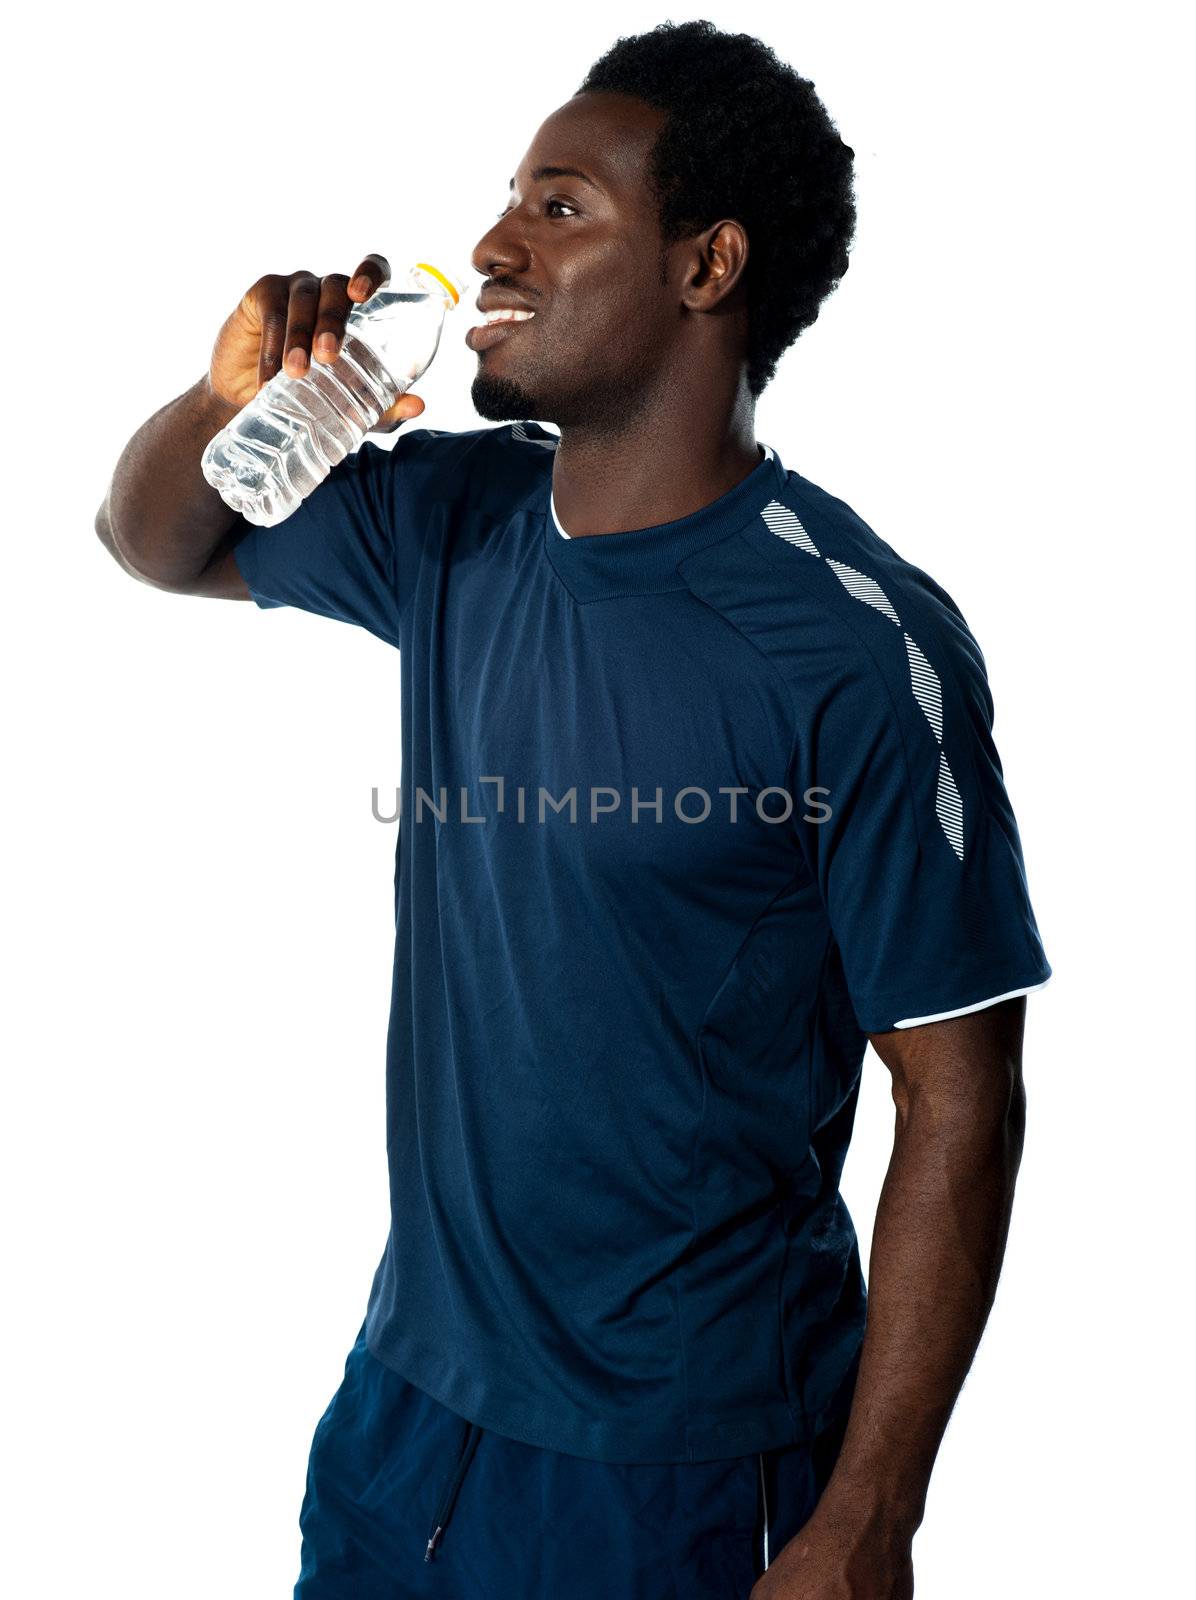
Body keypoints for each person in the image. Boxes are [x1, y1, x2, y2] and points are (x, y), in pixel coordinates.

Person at [95, 20, 1051, 1600]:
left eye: (557, 206)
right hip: (406, 1409)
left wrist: (870, 1520)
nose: (489, 245)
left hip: (682, 1467)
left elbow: (961, 1098)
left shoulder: (861, 649)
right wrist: (227, 403)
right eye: (508, 201)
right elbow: (157, 543)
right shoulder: (453, 524)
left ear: (706, 264)